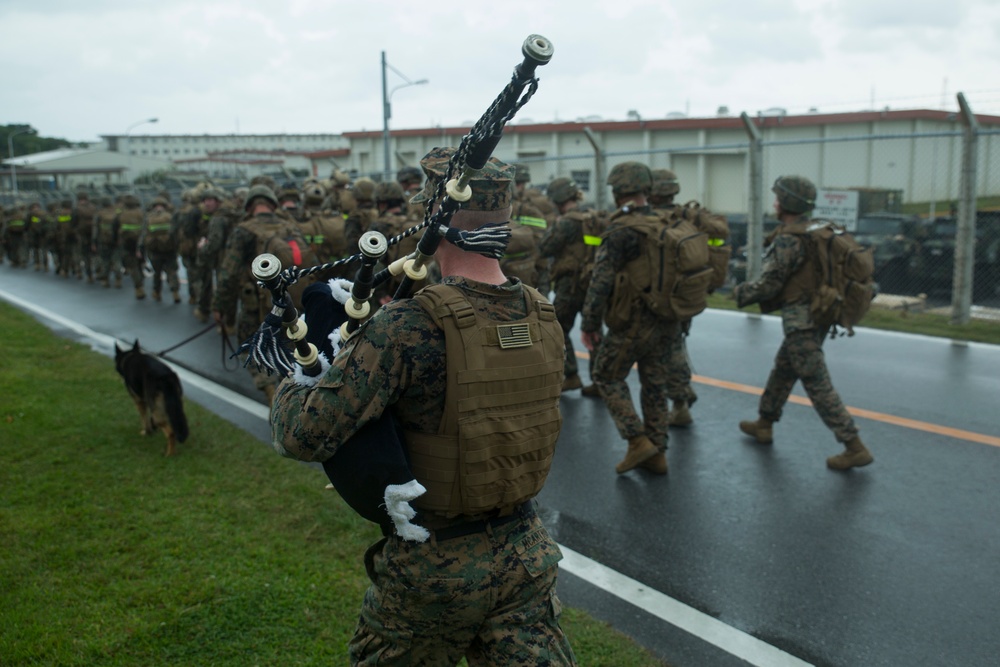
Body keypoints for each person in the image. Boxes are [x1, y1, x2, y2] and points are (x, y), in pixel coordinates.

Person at [271, 146, 576, 666]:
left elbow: (303, 433)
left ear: (435, 219)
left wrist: (304, 373)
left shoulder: (407, 327)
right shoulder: (543, 314)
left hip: (436, 566)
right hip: (526, 553)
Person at [733, 175, 874, 471]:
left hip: (802, 320)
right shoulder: (818, 227)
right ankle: (764, 422)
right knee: (784, 368)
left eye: (777, 197)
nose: (774, 202)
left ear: (785, 202)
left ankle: (853, 445)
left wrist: (741, 292)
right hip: (821, 312)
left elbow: (773, 282)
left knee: (815, 381)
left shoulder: (790, 237)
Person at [580, 161, 678, 476]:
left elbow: (601, 280)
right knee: (655, 382)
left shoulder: (621, 228)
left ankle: (637, 441)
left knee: (606, 373)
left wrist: (590, 323)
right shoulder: (668, 220)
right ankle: (658, 452)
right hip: (668, 317)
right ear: (646, 189)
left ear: (617, 190)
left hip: (633, 319)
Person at [212, 185, 317, 404]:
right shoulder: (290, 227)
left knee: (252, 348)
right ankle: (293, 395)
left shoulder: (244, 231)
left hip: (256, 307)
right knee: (290, 351)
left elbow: (228, 274)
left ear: (249, 207)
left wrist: (221, 308)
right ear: (272, 204)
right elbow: (310, 265)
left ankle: (269, 387)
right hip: (292, 305)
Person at [539, 176, 606, 395]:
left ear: (558, 200)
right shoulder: (592, 218)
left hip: (570, 285)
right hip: (592, 282)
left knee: (557, 328)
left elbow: (546, 248)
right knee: (593, 329)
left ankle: (571, 375)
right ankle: (599, 381)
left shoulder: (566, 222)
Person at [138, 196, 181, 303]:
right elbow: (176, 234)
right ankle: (175, 292)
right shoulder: (170, 217)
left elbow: (143, 234)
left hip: (154, 250)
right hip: (170, 250)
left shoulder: (148, 218)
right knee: (172, 271)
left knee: (157, 273)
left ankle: (157, 293)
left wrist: (140, 249)